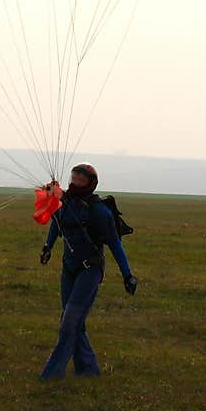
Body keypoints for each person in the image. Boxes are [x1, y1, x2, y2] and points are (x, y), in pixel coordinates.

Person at [38, 162, 138, 379]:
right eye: (74, 177)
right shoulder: (65, 204)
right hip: (69, 268)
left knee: (69, 322)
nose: (76, 182)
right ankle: (88, 370)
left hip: (90, 270)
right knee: (74, 321)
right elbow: (57, 224)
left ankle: (51, 374)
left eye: (81, 179)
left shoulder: (99, 211)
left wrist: (127, 275)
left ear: (91, 183)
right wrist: (48, 247)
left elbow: (114, 244)